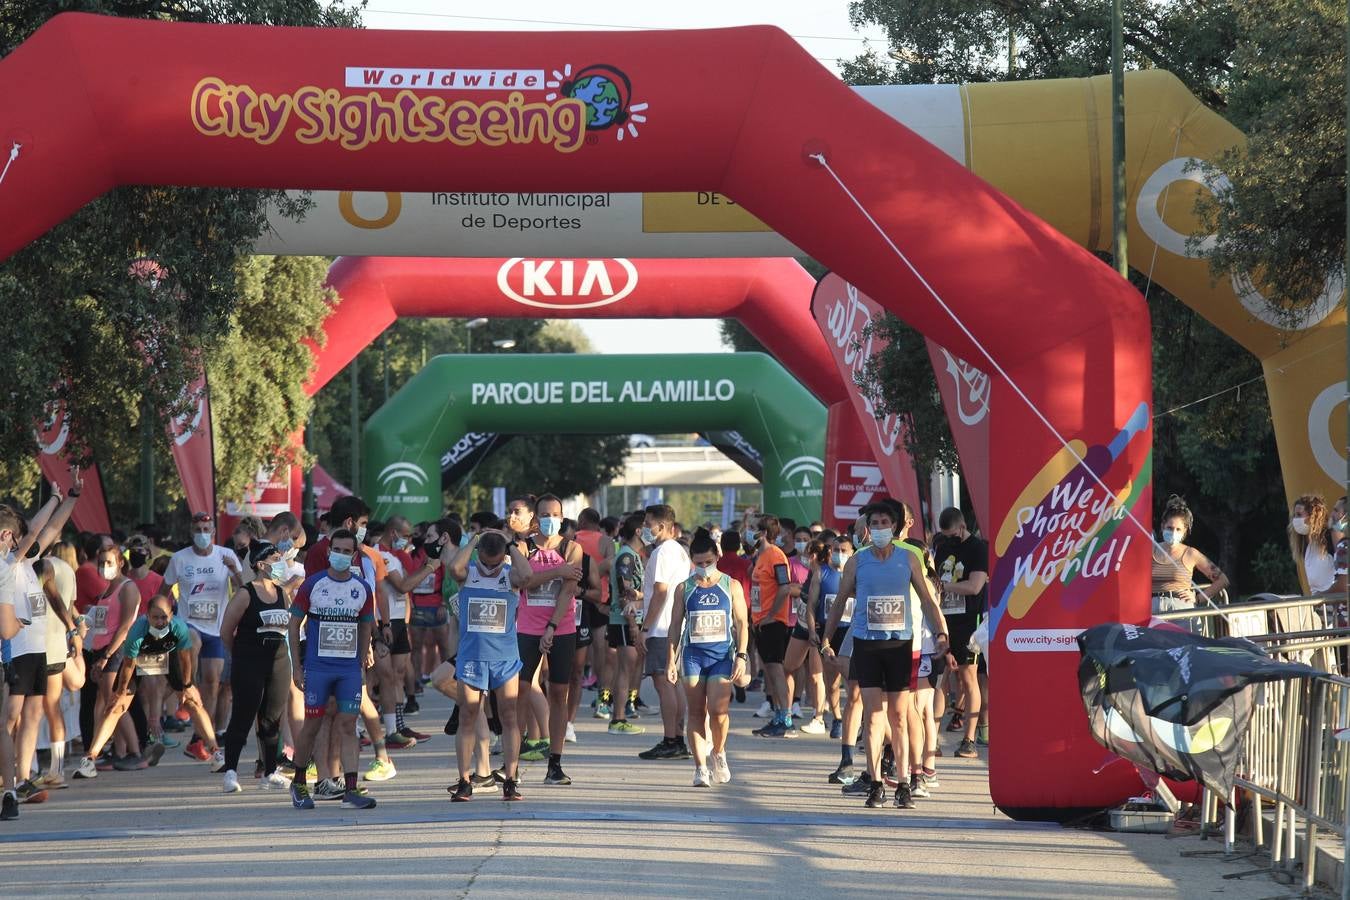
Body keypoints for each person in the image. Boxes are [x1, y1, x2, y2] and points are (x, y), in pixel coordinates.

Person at [823, 501, 949, 810]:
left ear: (894, 527)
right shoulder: (857, 561)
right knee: (874, 716)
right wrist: (826, 639)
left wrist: (942, 632)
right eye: (874, 524)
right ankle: (876, 782)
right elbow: (840, 602)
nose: (879, 528)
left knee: (900, 716)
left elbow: (929, 600)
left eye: (884, 523)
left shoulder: (908, 559)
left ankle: (904, 783)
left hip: (899, 645)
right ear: (869, 529)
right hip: (867, 645)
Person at [74, 594, 225, 779]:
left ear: (172, 615)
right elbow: (128, 665)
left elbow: (185, 659)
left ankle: (216, 752)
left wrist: (187, 685)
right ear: (147, 615)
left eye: (164, 617)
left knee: (193, 702)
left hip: (169, 657)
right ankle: (90, 759)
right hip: (140, 659)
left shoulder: (180, 628)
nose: (160, 622)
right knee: (115, 707)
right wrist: (120, 692)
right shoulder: (137, 631)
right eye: (155, 617)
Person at [286, 528, 377, 810]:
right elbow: (293, 625)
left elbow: (365, 626)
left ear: (354, 555)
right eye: (336, 550)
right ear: (328, 552)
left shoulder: (361, 588)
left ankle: (350, 789)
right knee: (312, 725)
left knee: (348, 724)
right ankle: (299, 783)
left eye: (346, 552)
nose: (340, 555)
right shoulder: (313, 584)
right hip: (318, 667)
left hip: (348, 669)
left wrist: (361, 661)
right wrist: (297, 667)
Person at [446, 529, 532, 802]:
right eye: (486, 561)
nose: (491, 568)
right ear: (478, 555)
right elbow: (453, 567)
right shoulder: (468, 573)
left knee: (509, 717)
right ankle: (464, 780)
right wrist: (473, 540)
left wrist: (511, 545)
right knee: (467, 716)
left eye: (496, 563)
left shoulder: (510, 576)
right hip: (472, 658)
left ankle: (511, 779)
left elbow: (528, 575)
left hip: (505, 659)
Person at [155, 512, 242, 762]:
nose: (203, 533)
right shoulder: (180, 559)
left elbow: (242, 587)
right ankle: (185, 688)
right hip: (188, 623)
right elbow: (163, 593)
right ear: (191, 532)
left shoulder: (225, 555)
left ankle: (201, 739)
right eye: (198, 529)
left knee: (213, 683)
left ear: (213, 531)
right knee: (193, 640)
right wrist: (162, 619)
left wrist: (234, 569)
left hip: (216, 628)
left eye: (206, 528)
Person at [665, 533, 749, 787]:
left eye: (708, 562)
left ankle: (719, 752)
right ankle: (701, 768)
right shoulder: (684, 588)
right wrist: (671, 660)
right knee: (697, 712)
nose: (704, 568)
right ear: (692, 561)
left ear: (718, 557)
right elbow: (674, 627)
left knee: (718, 711)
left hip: (722, 656)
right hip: (693, 657)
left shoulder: (730, 585)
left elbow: (742, 623)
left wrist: (742, 656)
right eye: (699, 563)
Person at [514, 494, 582, 786]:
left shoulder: (572, 548)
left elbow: (569, 589)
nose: (550, 520)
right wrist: (556, 571)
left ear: (562, 516)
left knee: (558, 694)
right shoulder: (522, 547)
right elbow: (522, 581)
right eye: (544, 514)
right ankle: (511, 764)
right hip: (526, 627)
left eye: (555, 514)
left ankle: (555, 763)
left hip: (561, 627)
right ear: (535, 518)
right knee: (518, 693)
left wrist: (552, 627)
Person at [218, 542, 294, 792]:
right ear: (261, 565)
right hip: (249, 662)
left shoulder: (283, 593)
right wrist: (240, 655)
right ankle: (230, 771)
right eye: (275, 559)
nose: (280, 563)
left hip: (279, 662)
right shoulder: (245, 593)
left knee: (272, 719)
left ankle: (270, 772)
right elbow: (226, 631)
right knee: (243, 715)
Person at [932, 506, 992, 757]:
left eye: (953, 534)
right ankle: (931, 738)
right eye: (945, 535)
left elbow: (975, 586)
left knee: (968, 679)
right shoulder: (943, 547)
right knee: (940, 680)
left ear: (963, 527)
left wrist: (945, 586)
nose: (949, 539)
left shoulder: (978, 548)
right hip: (945, 620)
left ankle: (969, 739)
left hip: (970, 620)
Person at [636, 504, 692, 761]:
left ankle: (671, 739)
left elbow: (660, 592)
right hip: (675, 625)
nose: (645, 529)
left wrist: (645, 628)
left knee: (662, 682)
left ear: (662, 526)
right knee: (673, 682)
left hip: (661, 627)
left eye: (648, 524)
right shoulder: (679, 551)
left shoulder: (662, 552)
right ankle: (678, 737)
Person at [85, 543, 148, 771]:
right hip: (102, 650)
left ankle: (135, 752)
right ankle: (118, 751)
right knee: (107, 703)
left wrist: (107, 656)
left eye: (109, 562)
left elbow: (124, 626)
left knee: (114, 704)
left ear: (121, 562)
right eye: (101, 563)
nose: (104, 567)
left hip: (118, 650)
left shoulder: (127, 588)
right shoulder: (106, 590)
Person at [748, 514, 795, 737]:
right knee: (769, 672)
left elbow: (785, 587)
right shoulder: (761, 555)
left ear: (764, 532)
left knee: (776, 671)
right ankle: (777, 715)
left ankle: (785, 718)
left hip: (773, 622)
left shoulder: (775, 555)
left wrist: (772, 615)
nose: (747, 533)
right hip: (760, 621)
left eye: (752, 529)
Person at [606, 512, 646, 736]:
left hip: (628, 618)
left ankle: (619, 715)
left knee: (627, 668)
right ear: (639, 531)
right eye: (647, 525)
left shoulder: (632, 555)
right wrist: (632, 624)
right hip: (623, 619)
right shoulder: (626, 557)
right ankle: (618, 718)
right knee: (625, 668)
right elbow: (624, 593)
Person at [1290, 495, 1337, 594]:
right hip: (1320, 604)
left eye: (1299, 514)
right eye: (1295, 515)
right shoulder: (1306, 545)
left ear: (1313, 516)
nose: (1295, 519)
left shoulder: (1330, 536)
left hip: (1337, 602)